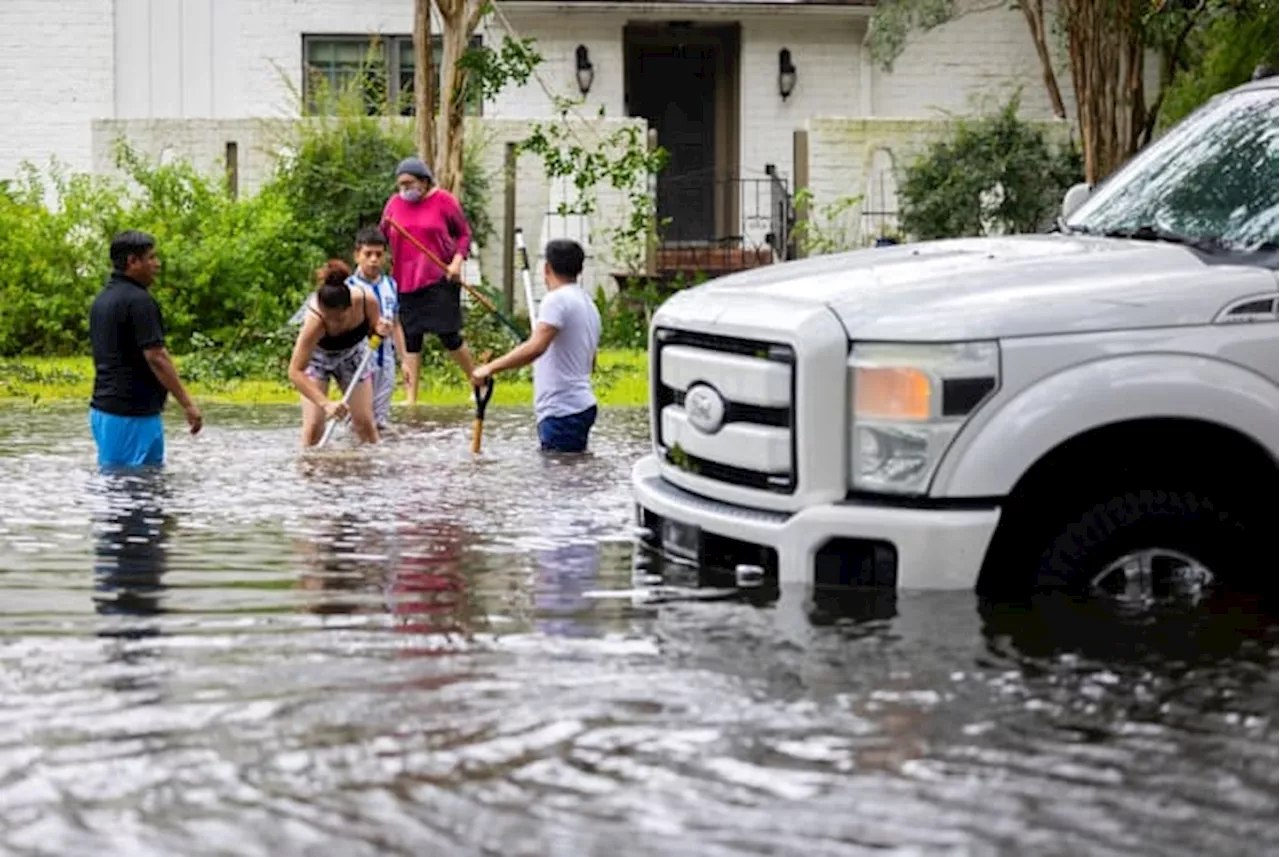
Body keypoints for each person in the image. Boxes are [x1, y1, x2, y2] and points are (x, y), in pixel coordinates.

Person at [470, 239, 602, 453]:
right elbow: (591, 362)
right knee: (573, 473)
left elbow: (535, 348)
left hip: (561, 410)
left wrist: (489, 368)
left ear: (547, 268)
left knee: (556, 480)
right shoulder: (588, 304)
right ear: (580, 269)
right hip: (581, 406)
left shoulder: (556, 300)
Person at [89, 230, 203, 470]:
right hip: (129, 415)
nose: (157, 264)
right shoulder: (140, 302)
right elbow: (157, 357)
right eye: (151, 258)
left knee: (142, 485)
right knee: (129, 488)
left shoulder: (102, 300)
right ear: (132, 261)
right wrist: (188, 404)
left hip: (112, 410)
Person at [380, 157, 476, 406]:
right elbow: (382, 235)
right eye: (400, 184)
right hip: (405, 279)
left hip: (440, 277)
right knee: (411, 339)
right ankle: (410, 397)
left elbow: (464, 234)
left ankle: (477, 381)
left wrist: (457, 262)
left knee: (449, 335)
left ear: (423, 181)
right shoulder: (393, 204)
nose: (404, 189)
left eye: (409, 183)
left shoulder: (444, 200)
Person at [287, 259, 386, 447]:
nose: (334, 324)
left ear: (350, 306)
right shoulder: (314, 322)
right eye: (328, 319)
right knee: (314, 427)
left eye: (339, 318)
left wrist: (381, 330)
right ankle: (309, 470)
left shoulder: (367, 301)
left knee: (365, 424)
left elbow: (376, 331)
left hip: (353, 356)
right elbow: (295, 371)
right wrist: (326, 404)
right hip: (318, 360)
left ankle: (373, 469)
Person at [347, 227, 404, 431]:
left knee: (380, 418)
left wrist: (404, 360)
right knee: (359, 416)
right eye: (368, 254)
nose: (373, 260)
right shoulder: (350, 288)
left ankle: (375, 458)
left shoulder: (391, 285)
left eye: (378, 255)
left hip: (385, 359)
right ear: (357, 256)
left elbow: (396, 323)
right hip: (360, 359)